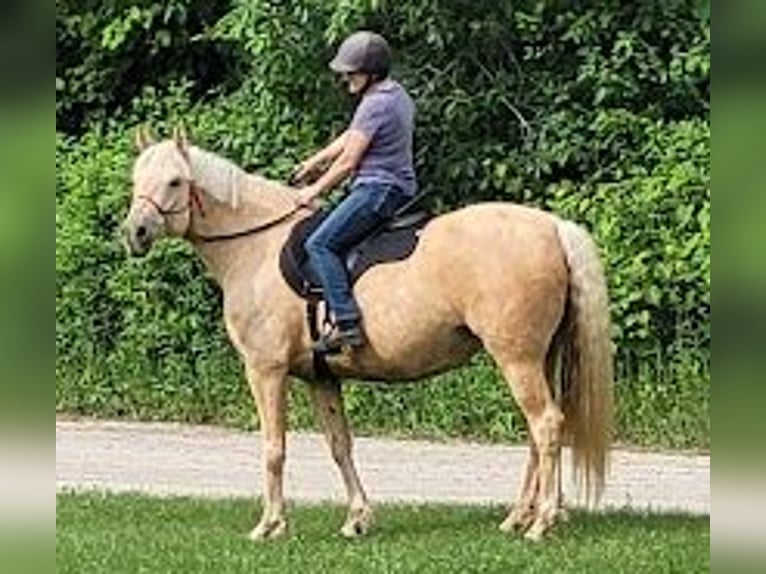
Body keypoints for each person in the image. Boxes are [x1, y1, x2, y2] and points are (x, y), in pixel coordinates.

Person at [291, 31, 417, 354]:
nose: (345, 76)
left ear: (371, 72)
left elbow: (349, 161)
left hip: (377, 189)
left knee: (319, 243)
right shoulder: (396, 93)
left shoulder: (374, 104)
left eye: (352, 71)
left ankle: (346, 324)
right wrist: (314, 161)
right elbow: (352, 135)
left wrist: (312, 191)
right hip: (398, 187)